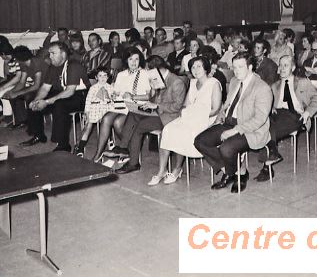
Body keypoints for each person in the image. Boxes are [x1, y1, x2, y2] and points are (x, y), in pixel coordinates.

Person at [194, 52, 273, 194]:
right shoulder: (235, 82)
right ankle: (234, 171)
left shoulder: (262, 88)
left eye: (240, 67)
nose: (236, 71)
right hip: (229, 122)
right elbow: (228, 104)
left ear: (250, 67)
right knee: (200, 141)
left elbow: (259, 119)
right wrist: (221, 114)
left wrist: (235, 130)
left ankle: (238, 175)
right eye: (234, 67)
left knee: (227, 148)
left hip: (250, 129)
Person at [148, 56, 222, 185]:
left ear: (205, 68)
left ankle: (177, 169)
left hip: (207, 118)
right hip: (191, 116)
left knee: (183, 132)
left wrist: (199, 116)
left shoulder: (214, 83)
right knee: (168, 129)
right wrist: (185, 113)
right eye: (193, 67)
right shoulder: (193, 83)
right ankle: (162, 170)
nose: (195, 69)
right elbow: (186, 103)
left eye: (199, 66)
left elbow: (215, 109)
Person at [113, 56, 188, 174]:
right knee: (133, 114)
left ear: (156, 69)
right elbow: (154, 99)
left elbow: (177, 107)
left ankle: (133, 162)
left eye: (148, 70)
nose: (146, 72)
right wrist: (153, 92)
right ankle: (122, 148)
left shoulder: (176, 81)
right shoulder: (157, 77)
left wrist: (157, 106)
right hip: (156, 113)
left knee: (138, 127)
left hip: (169, 117)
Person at [254, 55, 317, 181]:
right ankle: (271, 155)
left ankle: (266, 165)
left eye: (286, 65)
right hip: (277, 115)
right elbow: (267, 103)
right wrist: (270, 108)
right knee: (264, 124)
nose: (282, 68)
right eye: (280, 65)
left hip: (296, 115)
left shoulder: (302, 82)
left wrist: (307, 113)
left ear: (293, 67)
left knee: (268, 129)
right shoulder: (274, 86)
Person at [23, 42, 90, 151]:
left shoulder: (73, 65)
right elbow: (45, 88)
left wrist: (47, 102)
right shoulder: (53, 67)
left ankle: (63, 145)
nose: (50, 57)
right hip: (64, 92)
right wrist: (37, 100)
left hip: (81, 96)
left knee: (59, 105)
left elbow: (69, 91)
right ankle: (38, 135)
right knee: (32, 98)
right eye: (49, 54)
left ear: (63, 54)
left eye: (53, 53)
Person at [92, 48, 152, 162]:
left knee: (118, 122)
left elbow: (150, 96)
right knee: (106, 118)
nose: (133, 62)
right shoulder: (121, 74)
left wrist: (133, 96)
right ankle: (98, 153)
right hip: (121, 105)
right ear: (126, 60)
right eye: (130, 59)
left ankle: (127, 150)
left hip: (137, 106)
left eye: (136, 59)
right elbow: (116, 91)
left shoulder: (144, 74)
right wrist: (114, 95)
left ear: (140, 60)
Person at [3, 45, 48, 130]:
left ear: (20, 58)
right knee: (13, 97)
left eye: (16, 58)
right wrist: (11, 92)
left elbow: (37, 85)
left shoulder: (36, 62)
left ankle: (33, 123)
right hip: (36, 86)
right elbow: (22, 82)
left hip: (46, 87)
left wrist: (17, 93)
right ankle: (21, 121)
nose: (15, 60)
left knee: (28, 97)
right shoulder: (23, 64)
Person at [74, 67, 115, 156]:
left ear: (108, 77)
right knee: (88, 125)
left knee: (109, 121)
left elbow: (113, 101)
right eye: (100, 76)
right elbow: (88, 101)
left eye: (105, 76)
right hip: (94, 109)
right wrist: (87, 113)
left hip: (106, 109)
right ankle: (80, 147)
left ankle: (110, 139)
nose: (103, 78)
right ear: (96, 77)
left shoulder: (111, 88)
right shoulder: (93, 88)